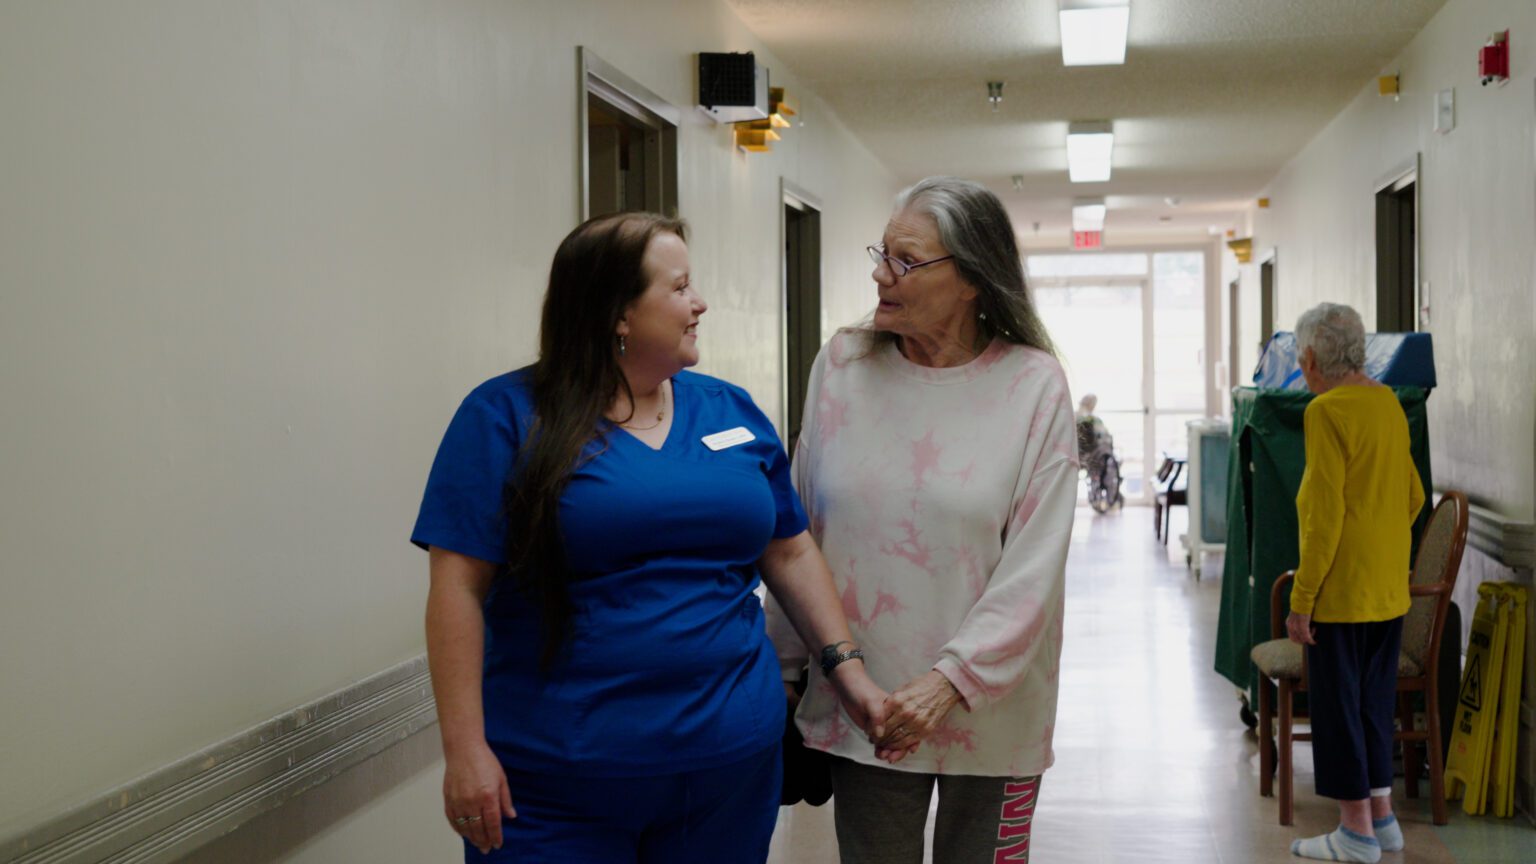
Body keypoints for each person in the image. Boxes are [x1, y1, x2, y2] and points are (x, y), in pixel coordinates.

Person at [411, 212, 889, 863]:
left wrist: (847, 670)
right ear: (618, 314)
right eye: (680, 287)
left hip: (725, 769)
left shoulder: (730, 411)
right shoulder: (505, 418)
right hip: (556, 780)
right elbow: (458, 590)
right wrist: (464, 751)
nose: (701, 303)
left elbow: (788, 547)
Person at [766, 177, 1077, 864]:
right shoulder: (842, 365)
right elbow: (801, 527)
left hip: (992, 712)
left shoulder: (1033, 385)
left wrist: (949, 682)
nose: (881, 274)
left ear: (971, 279)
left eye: (906, 261)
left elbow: (1035, 566)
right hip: (866, 705)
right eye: (883, 253)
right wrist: (787, 666)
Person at [1285, 302, 1424, 863]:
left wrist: (1301, 601)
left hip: (1341, 592)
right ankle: (1384, 819)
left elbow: (1324, 519)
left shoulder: (1326, 412)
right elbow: (1413, 495)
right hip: (1388, 588)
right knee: (1373, 702)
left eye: (1301, 358)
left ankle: (1355, 833)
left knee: (1338, 709)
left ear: (1313, 358)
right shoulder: (1386, 401)